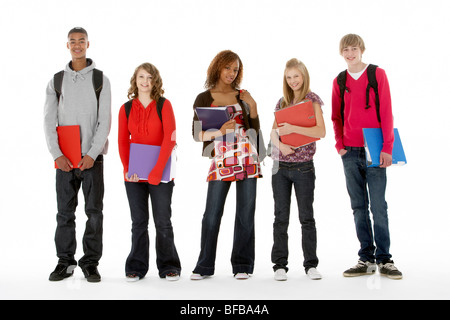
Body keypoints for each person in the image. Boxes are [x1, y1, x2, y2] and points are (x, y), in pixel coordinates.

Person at [331, 34, 402, 279]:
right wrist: (340, 144)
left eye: (354, 49)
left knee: (379, 206)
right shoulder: (339, 80)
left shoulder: (377, 74)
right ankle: (366, 258)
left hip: (375, 148)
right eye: (346, 50)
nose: (350, 53)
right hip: (349, 151)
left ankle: (385, 259)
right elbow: (336, 117)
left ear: (362, 50)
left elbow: (387, 111)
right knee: (358, 207)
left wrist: (387, 147)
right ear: (342, 53)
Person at [44, 27, 111, 282]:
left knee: (94, 212)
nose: (77, 45)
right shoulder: (57, 80)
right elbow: (48, 120)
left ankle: (90, 262)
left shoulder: (101, 79)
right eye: (72, 41)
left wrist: (93, 153)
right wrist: (56, 154)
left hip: (91, 159)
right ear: (67, 45)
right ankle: (65, 261)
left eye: (81, 41)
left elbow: (104, 122)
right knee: (64, 213)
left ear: (88, 44)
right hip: (64, 160)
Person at [190, 50, 264, 280]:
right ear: (217, 67)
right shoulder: (204, 97)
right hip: (221, 158)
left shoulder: (243, 95)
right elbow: (195, 134)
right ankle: (204, 266)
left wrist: (254, 106)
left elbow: (254, 129)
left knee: (245, 214)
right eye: (227, 68)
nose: (231, 73)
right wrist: (219, 131)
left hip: (247, 157)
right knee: (211, 214)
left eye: (235, 69)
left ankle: (242, 265)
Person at [118, 63, 181, 282]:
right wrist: (128, 170)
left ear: (156, 81)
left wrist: (156, 171)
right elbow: (123, 142)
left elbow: (169, 139)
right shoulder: (125, 108)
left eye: (149, 78)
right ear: (135, 80)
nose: (145, 82)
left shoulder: (164, 105)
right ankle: (136, 266)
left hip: (161, 174)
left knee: (163, 221)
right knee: (138, 222)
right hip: (134, 175)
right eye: (141, 77)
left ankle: (169, 266)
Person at [269, 58, 325, 281]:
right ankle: (279, 265)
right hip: (280, 167)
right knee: (280, 218)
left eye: (296, 76)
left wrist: (292, 127)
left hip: (303, 168)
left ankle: (311, 265)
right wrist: (280, 144)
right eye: (289, 77)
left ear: (304, 76)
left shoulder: (312, 100)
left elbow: (320, 131)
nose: (293, 81)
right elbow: (273, 132)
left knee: (306, 217)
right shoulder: (282, 102)